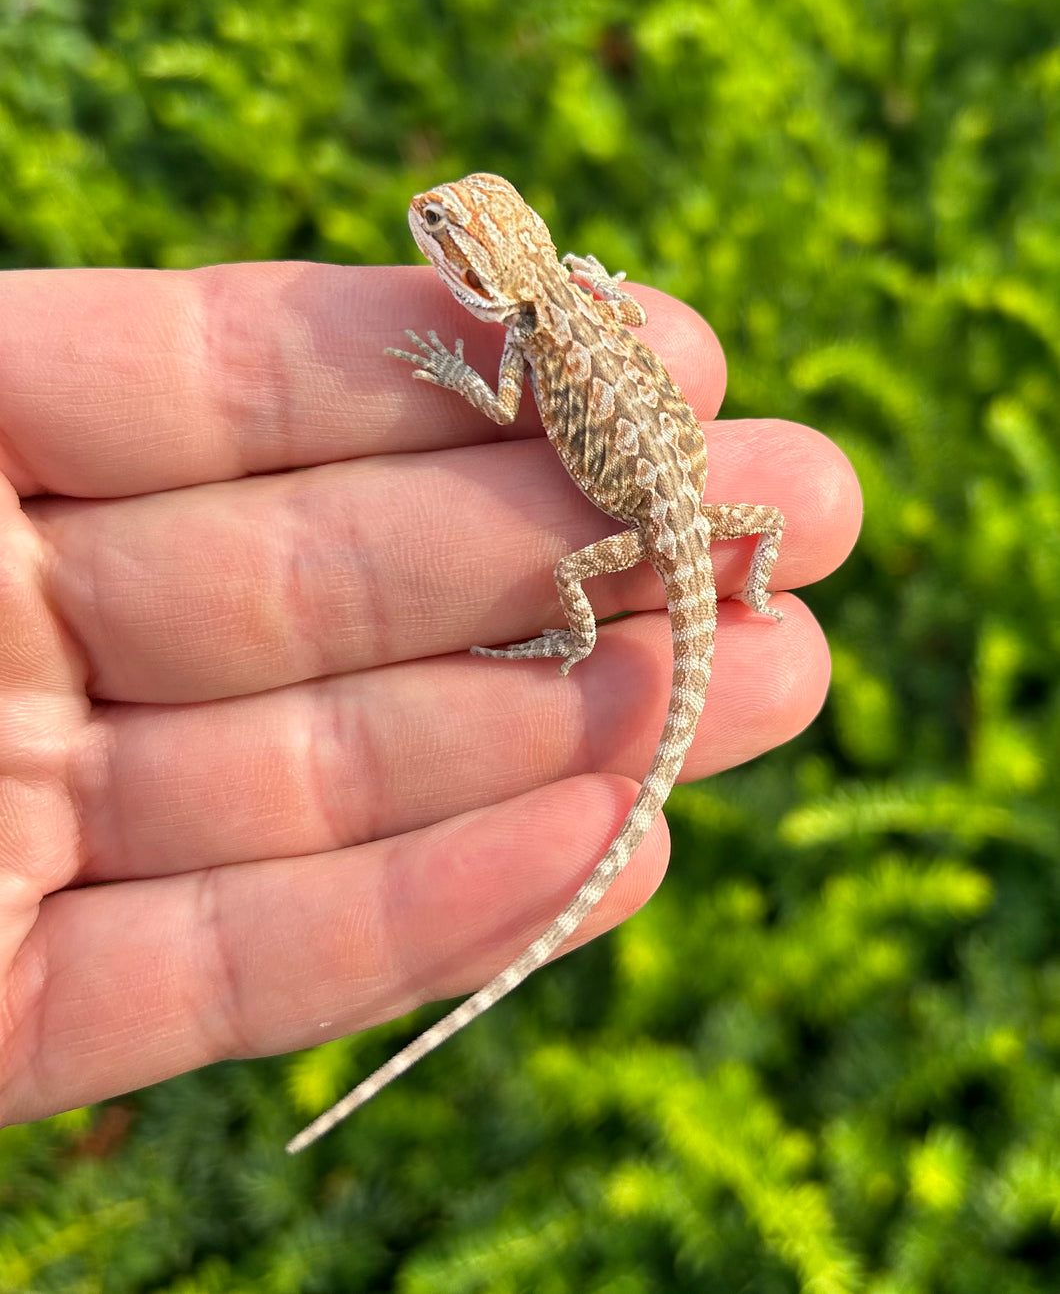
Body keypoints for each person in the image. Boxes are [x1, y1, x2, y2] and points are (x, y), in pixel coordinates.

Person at [0, 262, 860, 1127]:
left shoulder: (530, 331)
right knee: (770, 522)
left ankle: (581, 635)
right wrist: (598, 285)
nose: (431, 232)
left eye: (452, 238)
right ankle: (729, 596)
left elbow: (495, 407)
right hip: (682, 503)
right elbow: (630, 312)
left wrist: (456, 373)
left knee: (577, 573)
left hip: (648, 519)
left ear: (495, 278)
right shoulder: (582, 306)